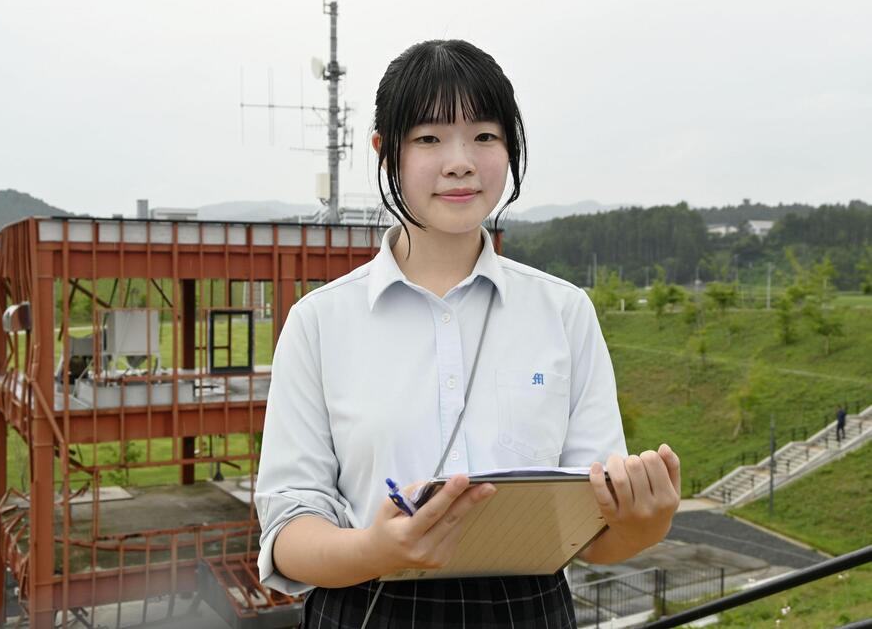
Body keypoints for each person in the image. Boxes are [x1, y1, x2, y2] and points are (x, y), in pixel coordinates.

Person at [254, 39, 681, 628]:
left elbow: (591, 533)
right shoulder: (320, 322)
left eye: (485, 136)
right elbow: (287, 531)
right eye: (429, 139)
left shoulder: (564, 311)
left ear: (510, 148)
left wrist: (644, 522)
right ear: (385, 153)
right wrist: (376, 549)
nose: (461, 161)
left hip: (528, 610)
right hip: (368, 602)